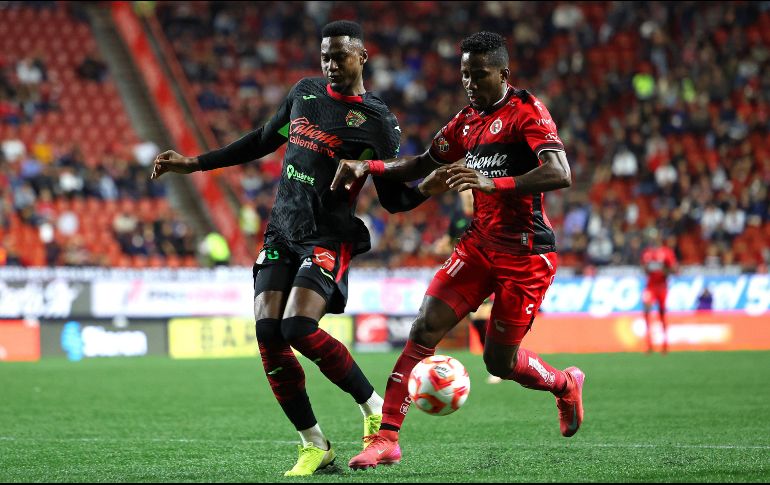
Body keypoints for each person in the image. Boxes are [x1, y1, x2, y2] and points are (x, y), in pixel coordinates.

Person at [151, 20, 428, 477]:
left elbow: (395, 198)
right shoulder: (305, 93)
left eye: (340, 55)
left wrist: (430, 185)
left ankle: (373, 405)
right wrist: (194, 164)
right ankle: (314, 444)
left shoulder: (377, 121)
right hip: (282, 229)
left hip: (328, 233)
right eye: (325, 55)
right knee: (267, 335)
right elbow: (263, 139)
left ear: (362, 56)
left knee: (298, 326)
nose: (330, 64)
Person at [331, 32, 584, 469]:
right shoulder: (465, 122)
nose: (469, 82)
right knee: (424, 328)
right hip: (479, 246)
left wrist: (494, 183)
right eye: (465, 74)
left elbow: (559, 172)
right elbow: (420, 163)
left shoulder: (527, 112)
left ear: (503, 73)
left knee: (499, 362)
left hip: (526, 255)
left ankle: (563, 384)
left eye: (479, 74)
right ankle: (386, 438)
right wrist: (368, 166)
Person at [640, 229, 678, 354]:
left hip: (662, 287)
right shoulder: (647, 253)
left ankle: (665, 344)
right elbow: (644, 270)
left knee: (662, 314)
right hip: (650, 286)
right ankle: (649, 344)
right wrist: (648, 268)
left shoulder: (666, 252)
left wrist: (665, 269)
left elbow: (674, 269)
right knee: (646, 309)